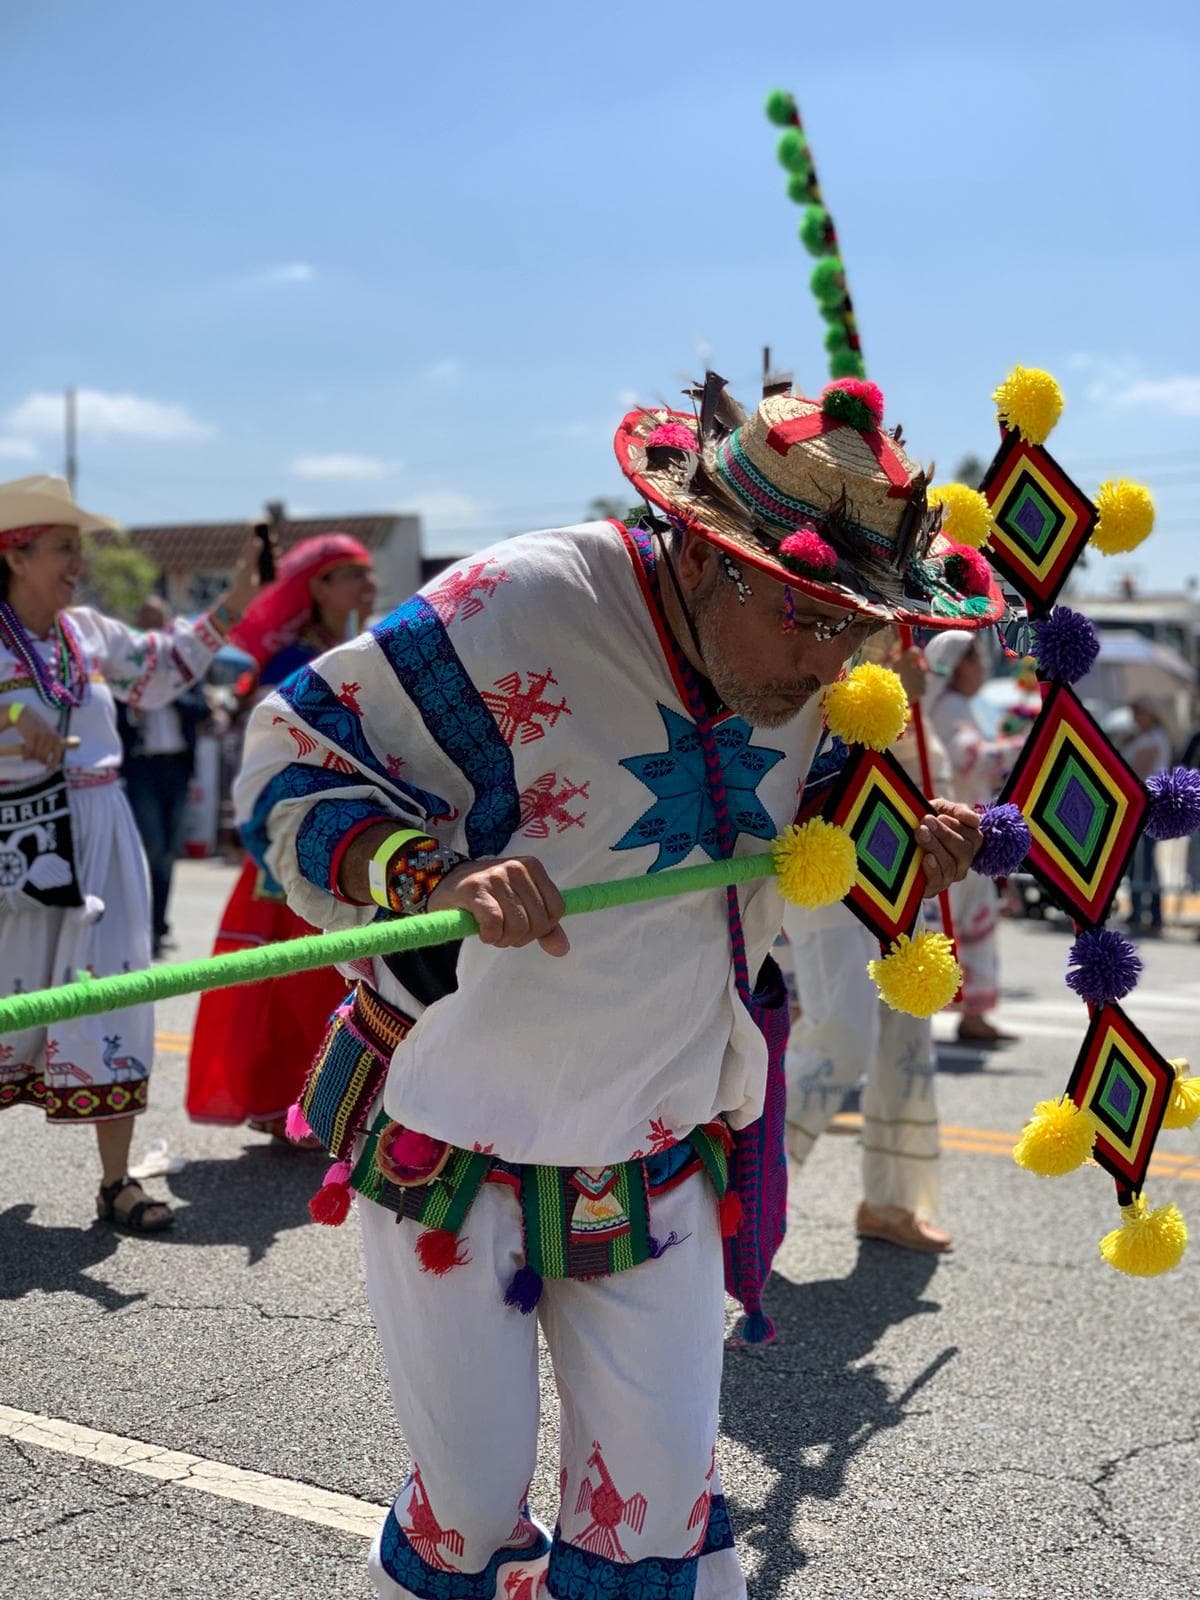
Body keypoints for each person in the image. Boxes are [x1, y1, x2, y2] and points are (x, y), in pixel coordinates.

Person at [234, 375, 995, 1598]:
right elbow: (293, 759)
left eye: (856, 624)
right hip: (454, 1124)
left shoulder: (827, 672)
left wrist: (915, 840)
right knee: (470, 1514)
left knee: (650, 1520)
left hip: (660, 1128)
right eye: (805, 616)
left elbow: (810, 830)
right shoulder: (520, 603)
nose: (828, 659)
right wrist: (431, 871)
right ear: (704, 559)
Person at [0, 475, 260, 1232]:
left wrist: (237, 599)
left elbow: (164, 663)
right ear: (16, 557)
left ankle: (117, 1182)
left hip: (100, 828)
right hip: (18, 839)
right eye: (62, 548)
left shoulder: (85, 633)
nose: (77, 562)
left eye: (77, 548)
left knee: (112, 991)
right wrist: (14, 716)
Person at [185, 533, 377, 1138]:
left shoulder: (385, 649)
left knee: (365, 974)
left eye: (369, 575)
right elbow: (272, 756)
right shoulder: (291, 663)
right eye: (352, 574)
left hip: (373, 831)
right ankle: (297, 1104)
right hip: (301, 835)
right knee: (297, 980)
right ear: (318, 587)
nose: (366, 586)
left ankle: (359, 1106)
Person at [782, 638, 953, 1252]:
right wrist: (887, 690)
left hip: (902, 854)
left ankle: (894, 1199)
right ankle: (751, 1195)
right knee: (842, 1036)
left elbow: (919, 768)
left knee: (908, 1032)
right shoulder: (823, 613)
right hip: (827, 852)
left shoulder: (908, 620)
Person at [922, 631, 1024, 1043]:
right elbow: (970, 760)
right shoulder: (948, 707)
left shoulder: (954, 705)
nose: (982, 668)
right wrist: (1025, 745)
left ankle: (970, 1012)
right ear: (957, 665)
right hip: (956, 831)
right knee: (956, 925)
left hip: (966, 830)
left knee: (966, 924)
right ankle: (960, 1013)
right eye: (976, 659)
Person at [118, 594, 211, 958]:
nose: (151, 627)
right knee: (152, 847)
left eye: (157, 619)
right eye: (145, 620)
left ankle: (159, 926)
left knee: (169, 852)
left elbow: (201, 709)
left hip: (176, 767)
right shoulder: (127, 666)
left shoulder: (182, 666)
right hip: (142, 767)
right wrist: (135, 710)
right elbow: (114, 721)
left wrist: (166, 694)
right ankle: (144, 927)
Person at [1122, 697, 1173, 934]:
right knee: (1136, 860)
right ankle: (1138, 911)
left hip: (1148, 805)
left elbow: (1137, 771)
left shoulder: (1155, 739)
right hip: (1137, 805)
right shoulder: (1141, 738)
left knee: (1146, 862)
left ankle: (1152, 914)